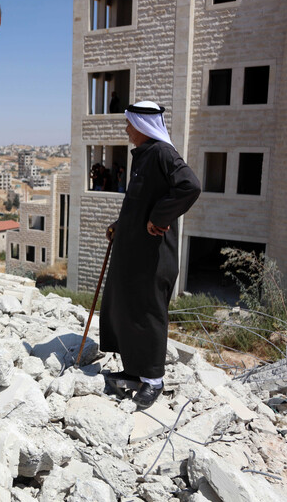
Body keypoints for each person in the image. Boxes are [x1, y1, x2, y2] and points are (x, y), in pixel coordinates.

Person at [99, 101, 201, 409]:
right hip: (134, 253)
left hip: (154, 256)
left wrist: (160, 217)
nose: (127, 129)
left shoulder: (162, 153)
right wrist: (122, 224)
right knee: (128, 308)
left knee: (150, 313)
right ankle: (133, 371)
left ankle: (153, 380)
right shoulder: (144, 157)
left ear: (143, 127)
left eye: (130, 124)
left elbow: (190, 187)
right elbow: (140, 201)